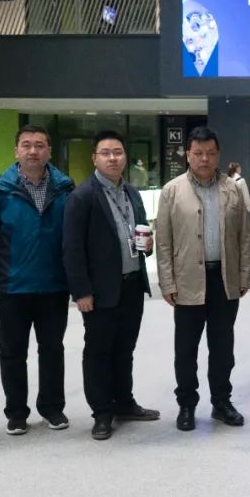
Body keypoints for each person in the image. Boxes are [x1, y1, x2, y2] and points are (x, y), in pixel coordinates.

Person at [0, 124, 75, 435]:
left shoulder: (65, 188)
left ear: (49, 151)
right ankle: (17, 412)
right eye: (27, 145)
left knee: (52, 350)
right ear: (16, 150)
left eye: (40, 145)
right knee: (12, 353)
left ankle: (52, 408)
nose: (33, 151)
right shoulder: (0, 189)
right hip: (12, 287)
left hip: (54, 286)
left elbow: (74, 239)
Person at [63, 131, 161, 441]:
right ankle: (102, 412)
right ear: (94, 158)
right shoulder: (82, 196)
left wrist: (148, 246)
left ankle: (124, 402)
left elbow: (140, 232)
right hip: (100, 291)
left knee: (125, 349)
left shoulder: (132, 192)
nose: (113, 158)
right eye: (105, 153)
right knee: (98, 352)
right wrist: (81, 292)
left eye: (118, 152)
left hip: (131, 286)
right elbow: (72, 248)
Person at [156, 127, 250, 432]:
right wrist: (167, 282)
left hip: (224, 279)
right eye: (198, 153)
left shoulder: (232, 189)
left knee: (223, 347)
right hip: (188, 280)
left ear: (218, 154)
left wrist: (244, 275)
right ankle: (186, 405)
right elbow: (164, 241)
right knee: (186, 349)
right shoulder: (172, 190)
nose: (204, 159)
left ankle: (222, 402)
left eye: (210, 153)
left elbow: (243, 238)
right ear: (188, 155)